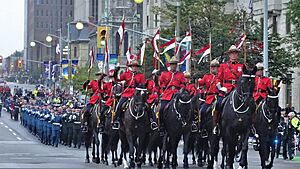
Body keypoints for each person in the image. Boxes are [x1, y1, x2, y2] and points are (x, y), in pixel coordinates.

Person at [112, 60, 146, 129]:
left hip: (137, 94)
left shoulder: (141, 75)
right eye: (133, 66)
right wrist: (115, 72)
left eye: (136, 66)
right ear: (131, 67)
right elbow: (117, 79)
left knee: (147, 106)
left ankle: (151, 121)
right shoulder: (126, 74)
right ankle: (117, 120)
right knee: (119, 105)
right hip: (127, 93)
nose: (134, 68)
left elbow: (143, 85)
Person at [159, 57, 186, 134]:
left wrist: (180, 90)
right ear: (170, 65)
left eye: (175, 64)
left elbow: (183, 84)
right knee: (162, 109)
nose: (174, 66)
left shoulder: (180, 75)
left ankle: (184, 124)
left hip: (177, 95)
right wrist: (163, 90)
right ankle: (161, 125)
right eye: (172, 64)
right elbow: (161, 84)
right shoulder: (164, 74)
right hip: (167, 95)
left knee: (184, 108)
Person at [198, 59, 225, 134]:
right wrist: (200, 81)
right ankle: (202, 128)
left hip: (218, 96)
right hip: (209, 98)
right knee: (202, 111)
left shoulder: (220, 77)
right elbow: (201, 84)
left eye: (216, 67)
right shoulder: (207, 76)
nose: (213, 68)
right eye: (212, 67)